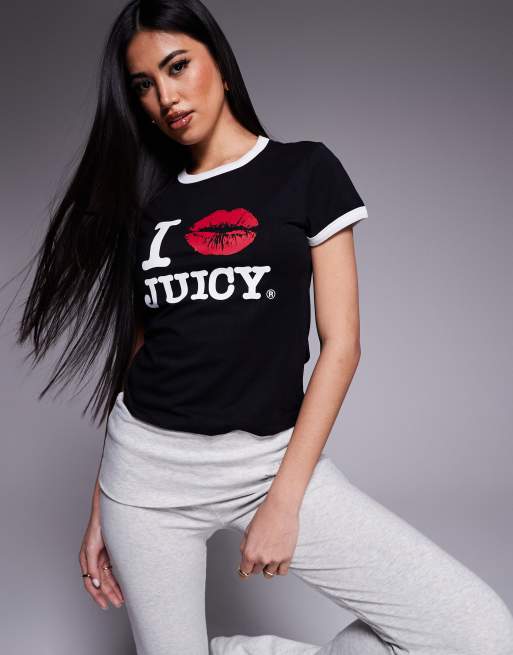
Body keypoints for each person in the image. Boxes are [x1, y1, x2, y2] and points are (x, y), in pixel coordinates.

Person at [16, 1, 513, 654]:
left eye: (177, 66)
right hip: (147, 479)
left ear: (219, 65)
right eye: (144, 85)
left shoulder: (304, 172)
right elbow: (144, 349)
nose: (166, 96)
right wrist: (101, 505)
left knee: (478, 632)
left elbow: (342, 345)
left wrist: (283, 500)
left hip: (268, 465)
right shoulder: (151, 203)